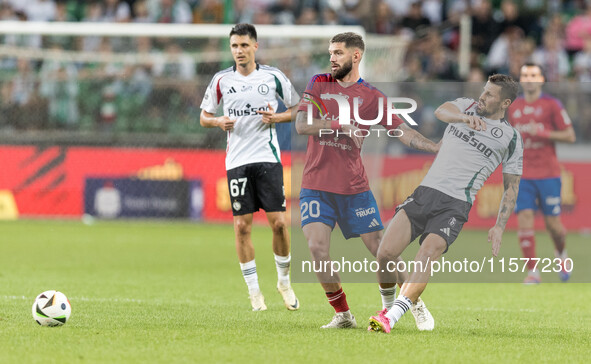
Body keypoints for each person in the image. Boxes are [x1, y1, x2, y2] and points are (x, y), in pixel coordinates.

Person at [295, 32, 439, 330]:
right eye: (330, 52)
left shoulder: (372, 97)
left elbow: (401, 130)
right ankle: (343, 314)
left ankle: (414, 301)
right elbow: (301, 124)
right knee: (317, 248)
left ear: (356, 56)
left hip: (353, 188)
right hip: (316, 184)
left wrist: (434, 147)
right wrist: (339, 124)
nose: (332, 58)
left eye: (338, 53)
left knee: (382, 250)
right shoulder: (319, 84)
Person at [369, 74, 523, 333]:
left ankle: (391, 317)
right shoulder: (466, 105)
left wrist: (499, 226)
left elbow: (512, 186)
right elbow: (442, 110)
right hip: (425, 192)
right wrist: (464, 118)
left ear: (505, 102)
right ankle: (397, 306)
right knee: (385, 253)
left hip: (456, 203)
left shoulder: (511, 138)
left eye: (489, 95)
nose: (482, 97)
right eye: (483, 91)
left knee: (426, 254)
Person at [200, 23, 300, 311]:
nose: (239, 51)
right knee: (242, 227)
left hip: (268, 158)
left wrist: (277, 117)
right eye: (234, 46)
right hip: (237, 162)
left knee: (279, 224)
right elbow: (205, 116)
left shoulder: (273, 77)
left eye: (244, 45)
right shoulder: (221, 80)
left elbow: (298, 108)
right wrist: (218, 121)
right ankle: (254, 292)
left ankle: (283, 282)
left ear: (255, 46)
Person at [508, 63, 576, 284]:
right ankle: (533, 272)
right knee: (525, 219)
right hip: (523, 174)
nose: (529, 78)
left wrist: (544, 132)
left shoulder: (551, 105)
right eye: (525, 75)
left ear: (541, 79)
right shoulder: (513, 107)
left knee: (554, 226)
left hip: (548, 174)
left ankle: (561, 255)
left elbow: (570, 136)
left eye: (533, 75)